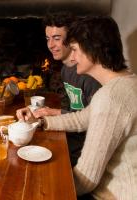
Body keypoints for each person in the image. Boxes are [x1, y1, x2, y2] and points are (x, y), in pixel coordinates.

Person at [17, 16, 137, 199]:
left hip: (112, 194)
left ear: (92, 50)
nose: (71, 57)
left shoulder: (111, 97)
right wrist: (41, 121)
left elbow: (86, 180)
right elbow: (81, 118)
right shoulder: (126, 83)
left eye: (74, 49)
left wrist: (41, 187)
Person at [39, 12, 101, 166]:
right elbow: (76, 111)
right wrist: (53, 113)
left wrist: (54, 113)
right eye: (48, 39)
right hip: (73, 133)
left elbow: (94, 121)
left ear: (72, 39)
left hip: (86, 145)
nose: (50, 45)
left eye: (57, 38)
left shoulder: (89, 75)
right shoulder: (66, 70)